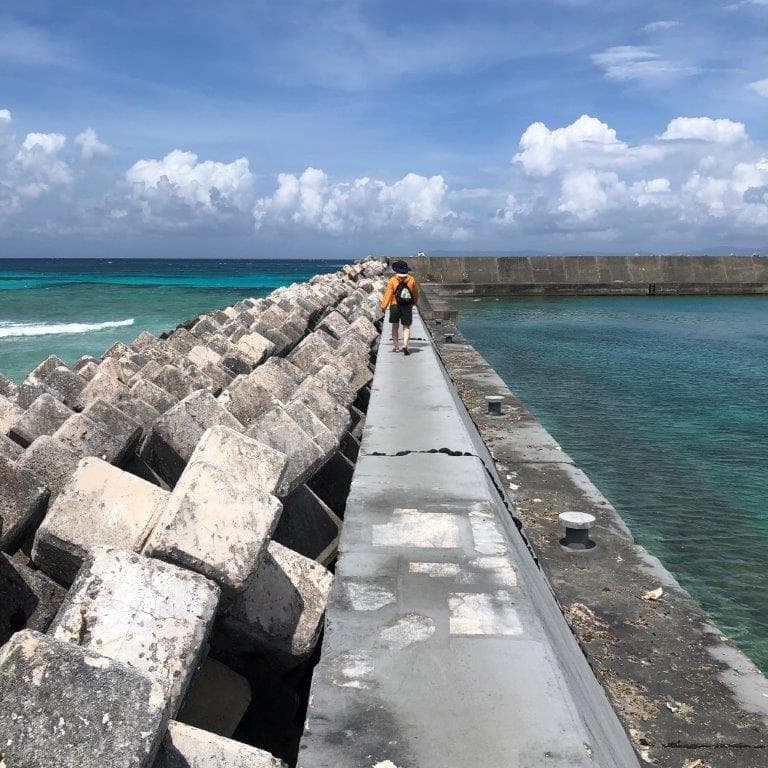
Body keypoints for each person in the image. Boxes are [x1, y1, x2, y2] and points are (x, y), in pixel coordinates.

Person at [380, 259, 419, 355]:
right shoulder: (411, 279)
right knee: (406, 327)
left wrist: (383, 307)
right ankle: (405, 345)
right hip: (407, 306)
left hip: (395, 305)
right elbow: (415, 293)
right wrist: (413, 303)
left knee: (395, 327)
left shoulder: (393, 280)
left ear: (396, 270)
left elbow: (388, 294)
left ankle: (396, 347)